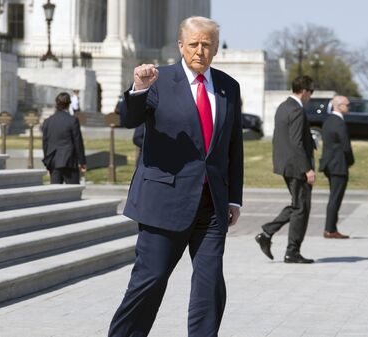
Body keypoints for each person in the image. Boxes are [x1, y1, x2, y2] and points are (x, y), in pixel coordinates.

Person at [108, 16, 243, 337]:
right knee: (150, 280)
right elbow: (129, 118)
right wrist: (139, 88)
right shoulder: (158, 80)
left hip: (211, 206)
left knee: (210, 284)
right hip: (163, 201)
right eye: (194, 44)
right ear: (181, 45)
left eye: (207, 44)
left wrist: (234, 196)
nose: (200, 50)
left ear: (215, 49)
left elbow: (232, 147)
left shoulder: (228, 87)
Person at [255, 75, 316, 264]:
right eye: (311, 92)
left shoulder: (283, 106)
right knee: (301, 208)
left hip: (286, 164)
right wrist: (307, 169)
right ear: (304, 91)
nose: (310, 96)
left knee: (298, 205)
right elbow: (297, 142)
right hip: (297, 166)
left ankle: (268, 234)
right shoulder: (297, 110)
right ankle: (291, 251)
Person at [319, 95, 354, 239]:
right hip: (338, 165)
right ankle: (330, 229)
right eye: (347, 104)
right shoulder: (339, 122)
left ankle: (330, 228)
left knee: (333, 197)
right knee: (335, 198)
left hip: (329, 164)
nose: (349, 107)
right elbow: (346, 146)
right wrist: (350, 161)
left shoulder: (328, 121)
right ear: (339, 106)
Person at [41, 92, 86, 184]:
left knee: (55, 194)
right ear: (69, 104)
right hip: (69, 162)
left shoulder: (48, 121)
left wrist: (47, 161)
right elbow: (78, 142)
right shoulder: (72, 120)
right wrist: (82, 161)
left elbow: (45, 143)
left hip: (53, 161)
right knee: (73, 193)